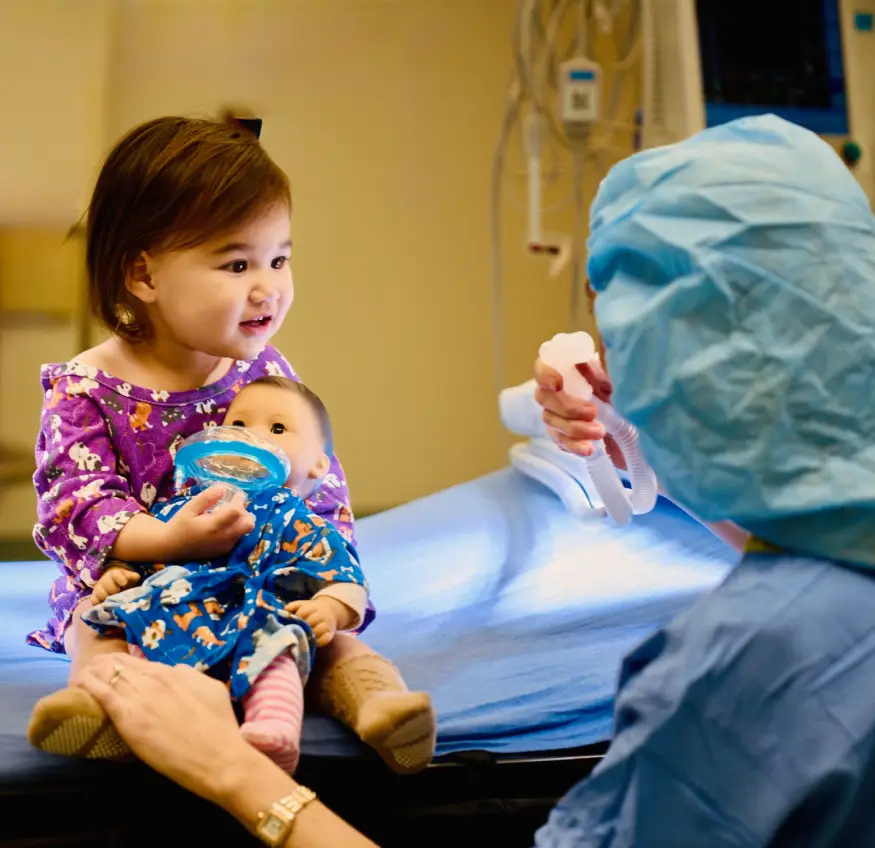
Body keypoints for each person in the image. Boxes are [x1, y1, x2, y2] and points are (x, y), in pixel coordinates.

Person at [25, 110, 435, 776]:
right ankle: (96, 707)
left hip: (257, 578)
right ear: (144, 276)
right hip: (139, 584)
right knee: (95, 631)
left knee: (325, 639)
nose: (268, 288)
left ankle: (379, 703)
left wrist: (332, 590)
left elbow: (317, 485)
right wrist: (166, 542)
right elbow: (76, 503)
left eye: (280, 259)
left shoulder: (264, 374)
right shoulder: (87, 388)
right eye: (238, 263)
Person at [528, 114, 875, 845]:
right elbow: (813, 532)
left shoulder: (748, 662)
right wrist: (646, 442)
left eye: (628, 343)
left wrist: (275, 801)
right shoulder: (841, 550)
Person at [47, 377, 386, 775]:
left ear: (319, 465)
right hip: (177, 618)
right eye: (238, 424)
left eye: (277, 428)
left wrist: (330, 608)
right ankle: (122, 719)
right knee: (129, 641)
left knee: (278, 653)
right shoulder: (193, 503)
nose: (251, 437)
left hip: (260, 617)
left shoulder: (295, 517)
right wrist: (119, 575)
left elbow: (342, 573)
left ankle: (273, 732)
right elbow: (152, 546)